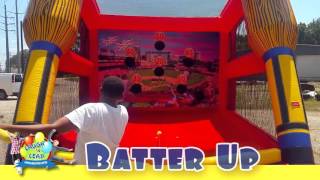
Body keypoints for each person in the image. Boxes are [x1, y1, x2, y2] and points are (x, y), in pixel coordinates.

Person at [0, 76, 129, 164]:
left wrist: (8, 127)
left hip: (85, 171)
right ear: (121, 95)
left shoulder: (90, 110)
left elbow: (51, 129)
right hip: (108, 168)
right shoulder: (123, 112)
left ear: (101, 90)